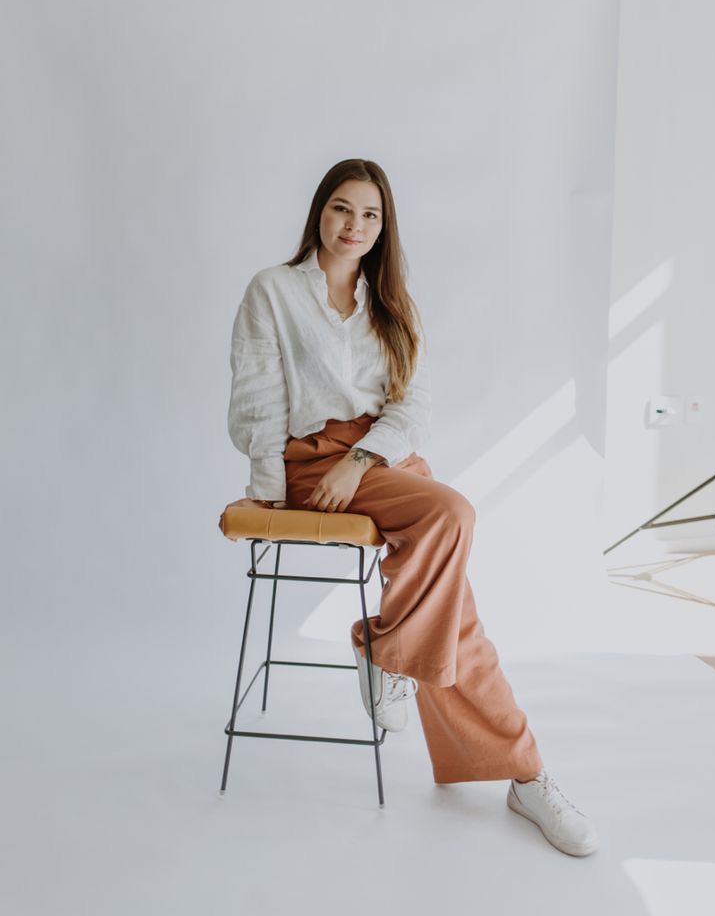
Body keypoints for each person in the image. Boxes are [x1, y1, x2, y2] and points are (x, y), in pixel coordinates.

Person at [226, 158, 599, 857]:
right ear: (319, 212)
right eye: (342, 209)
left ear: (384, 226)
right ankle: (496, 746)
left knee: (458, 622)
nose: (354, 226)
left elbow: (412, 407)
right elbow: (258, 396)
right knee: (454, 517)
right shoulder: (272, 291)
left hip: (379, 463)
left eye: (370, 215)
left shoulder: (392, 302)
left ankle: (512, 760)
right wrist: (272, 493)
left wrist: (363, 458)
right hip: (312, 465)